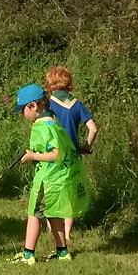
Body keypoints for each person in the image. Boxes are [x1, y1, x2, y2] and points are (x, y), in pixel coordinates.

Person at [8, 84, 88, 266]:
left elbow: (56, 153)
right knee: (54, 215)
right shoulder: (51, 119)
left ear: (34, 106)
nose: (22, 115)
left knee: (34, 214)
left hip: (48, 180)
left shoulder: (45, 126)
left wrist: (33, 156)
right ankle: (63, 252)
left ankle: (28, 255)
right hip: (56, 178)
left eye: (23, 110)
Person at [45, 65, 98, 242]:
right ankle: (67, 233)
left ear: (50, 83)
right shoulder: (77, 104)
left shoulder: (49, 105)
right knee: (70, 192)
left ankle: (51, 228)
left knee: (51, 190)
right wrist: (86, 146)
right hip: (73, 156)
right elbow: (93, 129)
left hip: (53, 155)